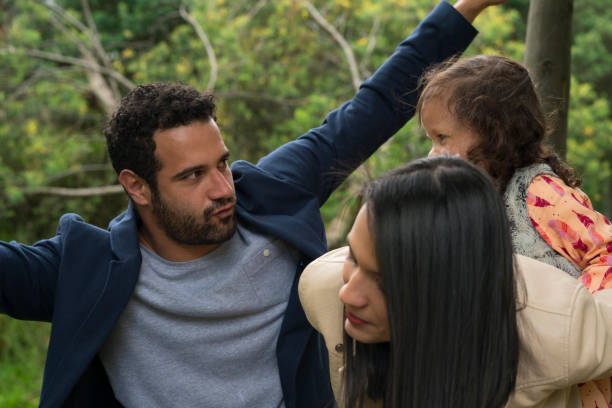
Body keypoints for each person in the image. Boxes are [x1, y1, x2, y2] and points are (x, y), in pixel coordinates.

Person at [0, 1, 505, 407]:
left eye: (221, 163)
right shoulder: (88, 266)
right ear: (137, 187)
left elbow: (368, 110)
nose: (222, 188)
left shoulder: (269, 191)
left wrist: (466, 7)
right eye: (192, 176)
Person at [299, 156, 612, 408]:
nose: (348, 294)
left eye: (384, 282)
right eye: (353, 256)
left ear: (450, 293)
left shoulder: (562, 329)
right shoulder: (323, 291)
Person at [416, 54, 612, 407]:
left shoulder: (540, 194)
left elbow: (605, 251)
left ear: (495, 133)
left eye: (443, 137)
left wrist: (577, 320)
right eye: (431, 139)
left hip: (577, 378)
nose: (433, 153)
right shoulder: (475, 199)